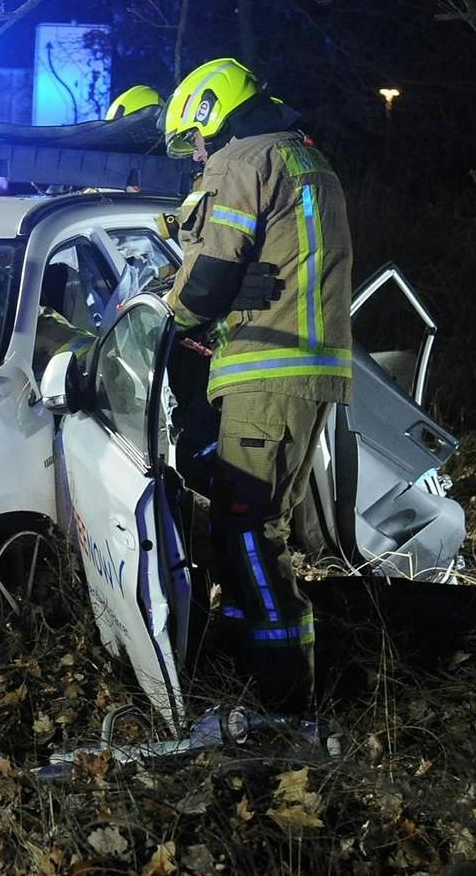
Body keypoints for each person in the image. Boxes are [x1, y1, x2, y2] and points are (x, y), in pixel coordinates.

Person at [160, 57, 353, 709]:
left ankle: (283, 703)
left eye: (193, 138)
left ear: (211, 116)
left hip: (266, 367)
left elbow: (207, 278)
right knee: (245, 533)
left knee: (247, 532)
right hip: (307, 368)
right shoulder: (304, 159)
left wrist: (166, 313)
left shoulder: (241, 161)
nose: (194, 153)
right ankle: (235, 676)